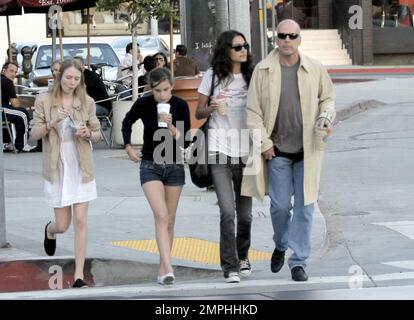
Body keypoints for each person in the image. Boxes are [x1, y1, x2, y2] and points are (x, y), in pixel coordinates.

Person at [241, 19, 336, 282]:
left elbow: (328, 98)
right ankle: (281, 244)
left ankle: (298, 261)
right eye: (282, 35)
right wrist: (264, 143)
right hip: (278, 152)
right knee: (280, 207)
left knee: (306, 208)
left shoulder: (315, 68)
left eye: (292, 36)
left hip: (309, 150)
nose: (287, 40)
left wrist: (325, 116)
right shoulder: (263, 70)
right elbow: (252, 112)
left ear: (299, 39)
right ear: (276, 39)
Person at [30, 59, 102, 288]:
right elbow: (34, 134)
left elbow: (98, 133)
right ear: (60, 76)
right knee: (63, 225)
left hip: (81, 166)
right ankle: (50, 231)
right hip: (57, 167)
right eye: (68, 77)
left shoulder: (86, 101)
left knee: (81, 221)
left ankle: (79, 275)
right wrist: (53, 121)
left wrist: (88, 133)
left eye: (76, 79)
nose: (71, 82)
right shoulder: (44, 100)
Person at [122, 68, 191, 285]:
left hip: (173, 164)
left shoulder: (180, 105)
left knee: (169, 221)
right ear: (151, 89)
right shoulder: (144, 103)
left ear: (172, 87)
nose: (162, 95)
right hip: (150, 164)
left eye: (166, 90)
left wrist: (171, 126)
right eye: (158, 90)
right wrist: (129, 148)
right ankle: (168, 266)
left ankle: (163, 269)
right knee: (161, 215)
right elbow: (126, 122)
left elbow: (185, 141)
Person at [195, 30, 254, 284]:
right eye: (238, 47)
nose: (243, 51)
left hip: (246, 151)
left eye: (245, 46)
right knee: (227, 211)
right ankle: (229, 266)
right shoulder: (212, 76)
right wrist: (213, 106)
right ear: (226, 50)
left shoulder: (253, 76)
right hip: (219, 149)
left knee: (246, 215)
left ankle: (242, 256)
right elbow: (198, 112)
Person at [1, 61, 36, 152]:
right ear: (3, 71)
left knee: (17, 112)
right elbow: (15, 104)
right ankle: (22, 145)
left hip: (3, 107)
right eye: (11, 71)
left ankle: (11, 143)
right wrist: (26, 102)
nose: (13, 74)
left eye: (15, 72)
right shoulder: (7, 81)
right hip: (1, 109)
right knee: (22, 114)